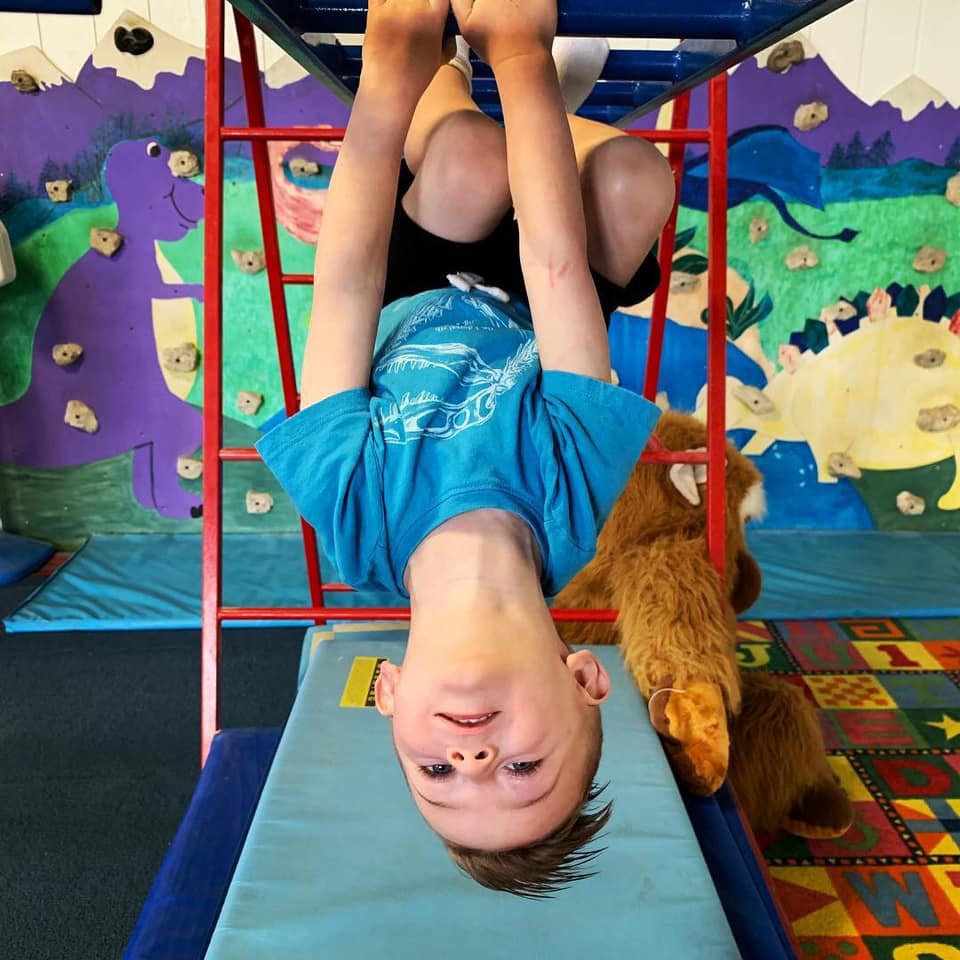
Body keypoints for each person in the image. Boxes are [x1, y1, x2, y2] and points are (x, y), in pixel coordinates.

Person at [257, 0, 675, 897]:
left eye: (439, 777)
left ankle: (451, 83)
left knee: (472, 161)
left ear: (387, 696)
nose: (474, 753)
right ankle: (535, 98)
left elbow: (345, 284)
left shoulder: (354, 512)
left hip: (419, 273)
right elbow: (560, 270)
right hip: (537, 291)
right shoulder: (573, 497)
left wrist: (390, 69)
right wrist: (521, 50)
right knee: (640, 177)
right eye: (522, 770)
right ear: (584, 681)